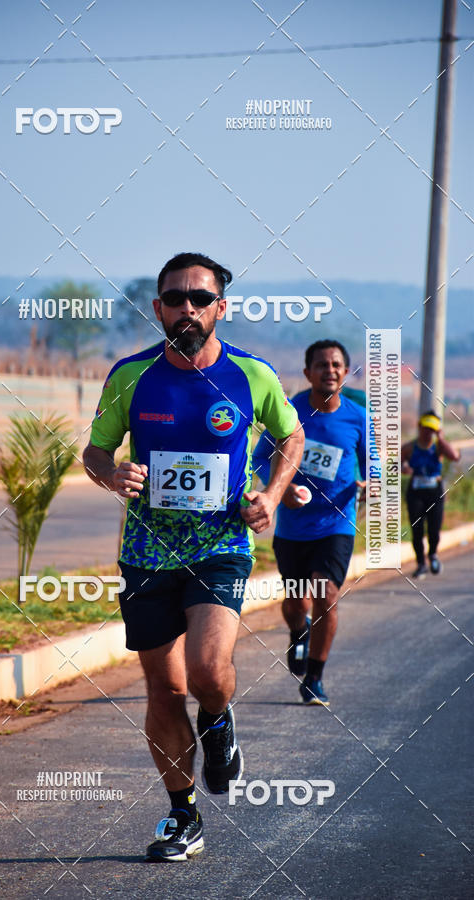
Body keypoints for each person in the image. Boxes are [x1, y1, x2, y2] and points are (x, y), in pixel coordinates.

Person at [83, 252, 303, 862]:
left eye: (200, 299)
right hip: (146, 553)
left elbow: (290, 435)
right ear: (157, 308)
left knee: (207, 675)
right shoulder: (129, 376)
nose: (188, 308)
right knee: (163, 686)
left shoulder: (252, 376)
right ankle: (183, 816)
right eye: (175, 298)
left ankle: (219, 716)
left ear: (220, 309)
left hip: (220, 545)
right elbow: (95, 450)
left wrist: (272, 497)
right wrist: (112, 472)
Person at [253, 340, 367, 707]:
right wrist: (279, 492)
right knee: (295, 601)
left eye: (336, 364)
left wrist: (371, 482)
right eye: (321, 365)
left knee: (325, 594)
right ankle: (298, 632)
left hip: (337, 524)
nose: (329, 370)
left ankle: (315, 679)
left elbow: (375, 464)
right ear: (308, 373)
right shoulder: (288, 413)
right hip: (292, 527)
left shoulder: (357, 417)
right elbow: (258, 459)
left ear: (345, 372)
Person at [401, 411, 460, 578]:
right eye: (426, 428)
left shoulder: (439, 446)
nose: (428, 433)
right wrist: (404, 468)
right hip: (416, 492)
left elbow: (455, 456)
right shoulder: (410, 447)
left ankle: (433, 554)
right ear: (419, 427)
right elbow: (395, 464)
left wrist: (440, 438)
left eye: (432, 429)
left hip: (435, 491)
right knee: (417, 529)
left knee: (434, 529)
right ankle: (421, 563)